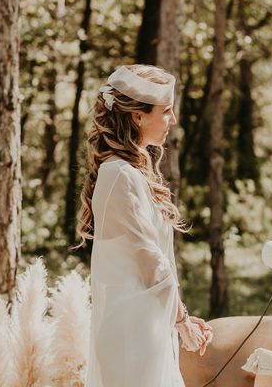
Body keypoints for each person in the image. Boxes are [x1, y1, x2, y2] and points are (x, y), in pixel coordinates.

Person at [77, 64, 212, 387]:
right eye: (166, 111)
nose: (174, 120)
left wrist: (178, 317)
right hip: (132, 334)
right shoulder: (119, 174)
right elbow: (150, 259)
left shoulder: (132, 171)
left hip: (148, 322)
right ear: (137, 116)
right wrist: (182, 322)